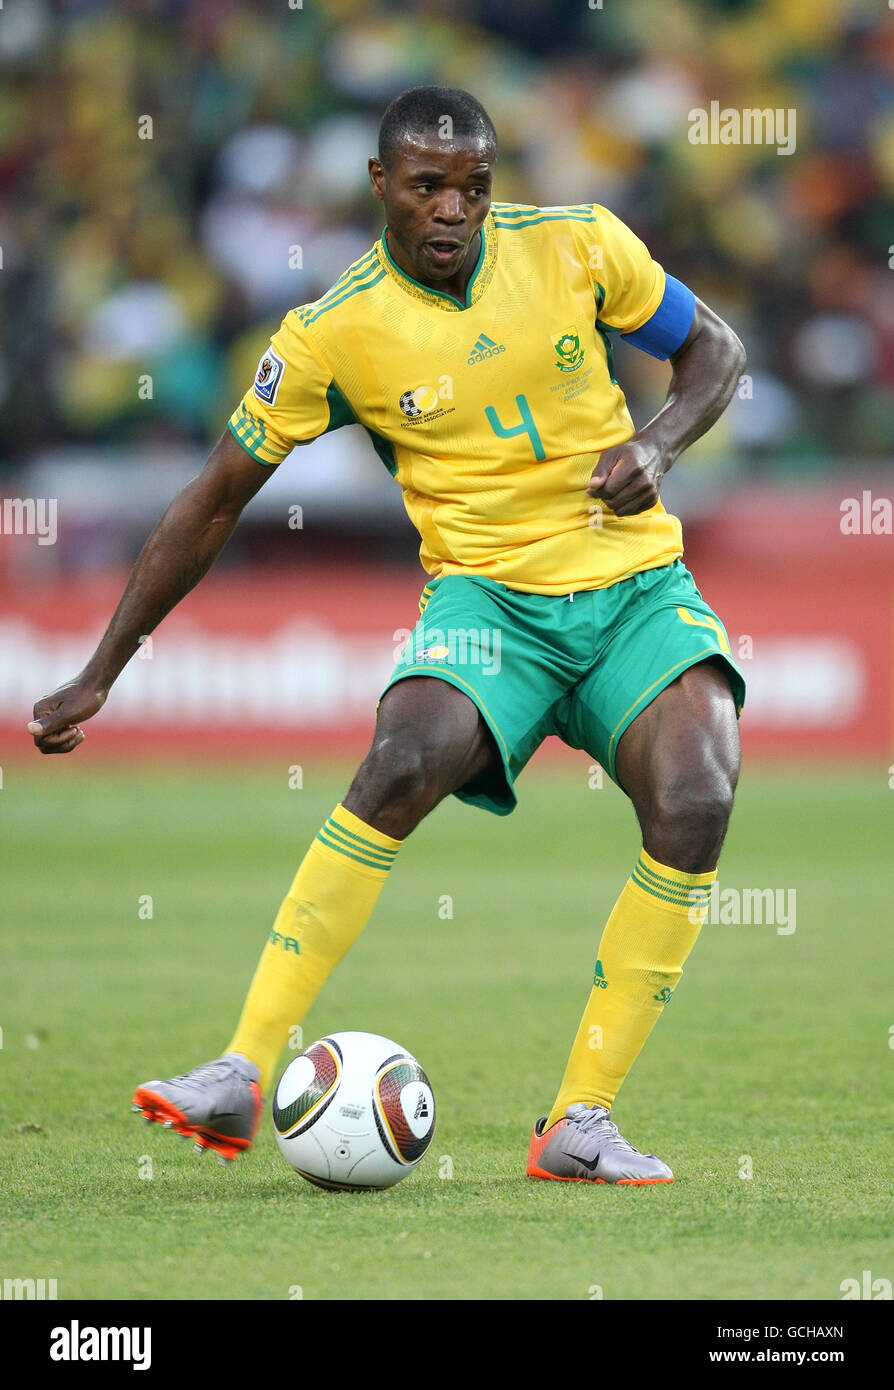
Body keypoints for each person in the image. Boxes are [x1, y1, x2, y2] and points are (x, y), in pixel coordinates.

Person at [29, 86, 746, 1183]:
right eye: (427, 187)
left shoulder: (581, 245)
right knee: (402, 759)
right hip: (485, 602)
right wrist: (99, 668)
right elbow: (212, 501)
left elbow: (717, 352)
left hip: (633, 586)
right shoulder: (333, 333)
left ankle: (580, 1125)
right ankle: (240, 1069)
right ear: (380, 187)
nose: (453, 209)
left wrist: (659, 441)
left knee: (698, 796)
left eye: (473, 187)